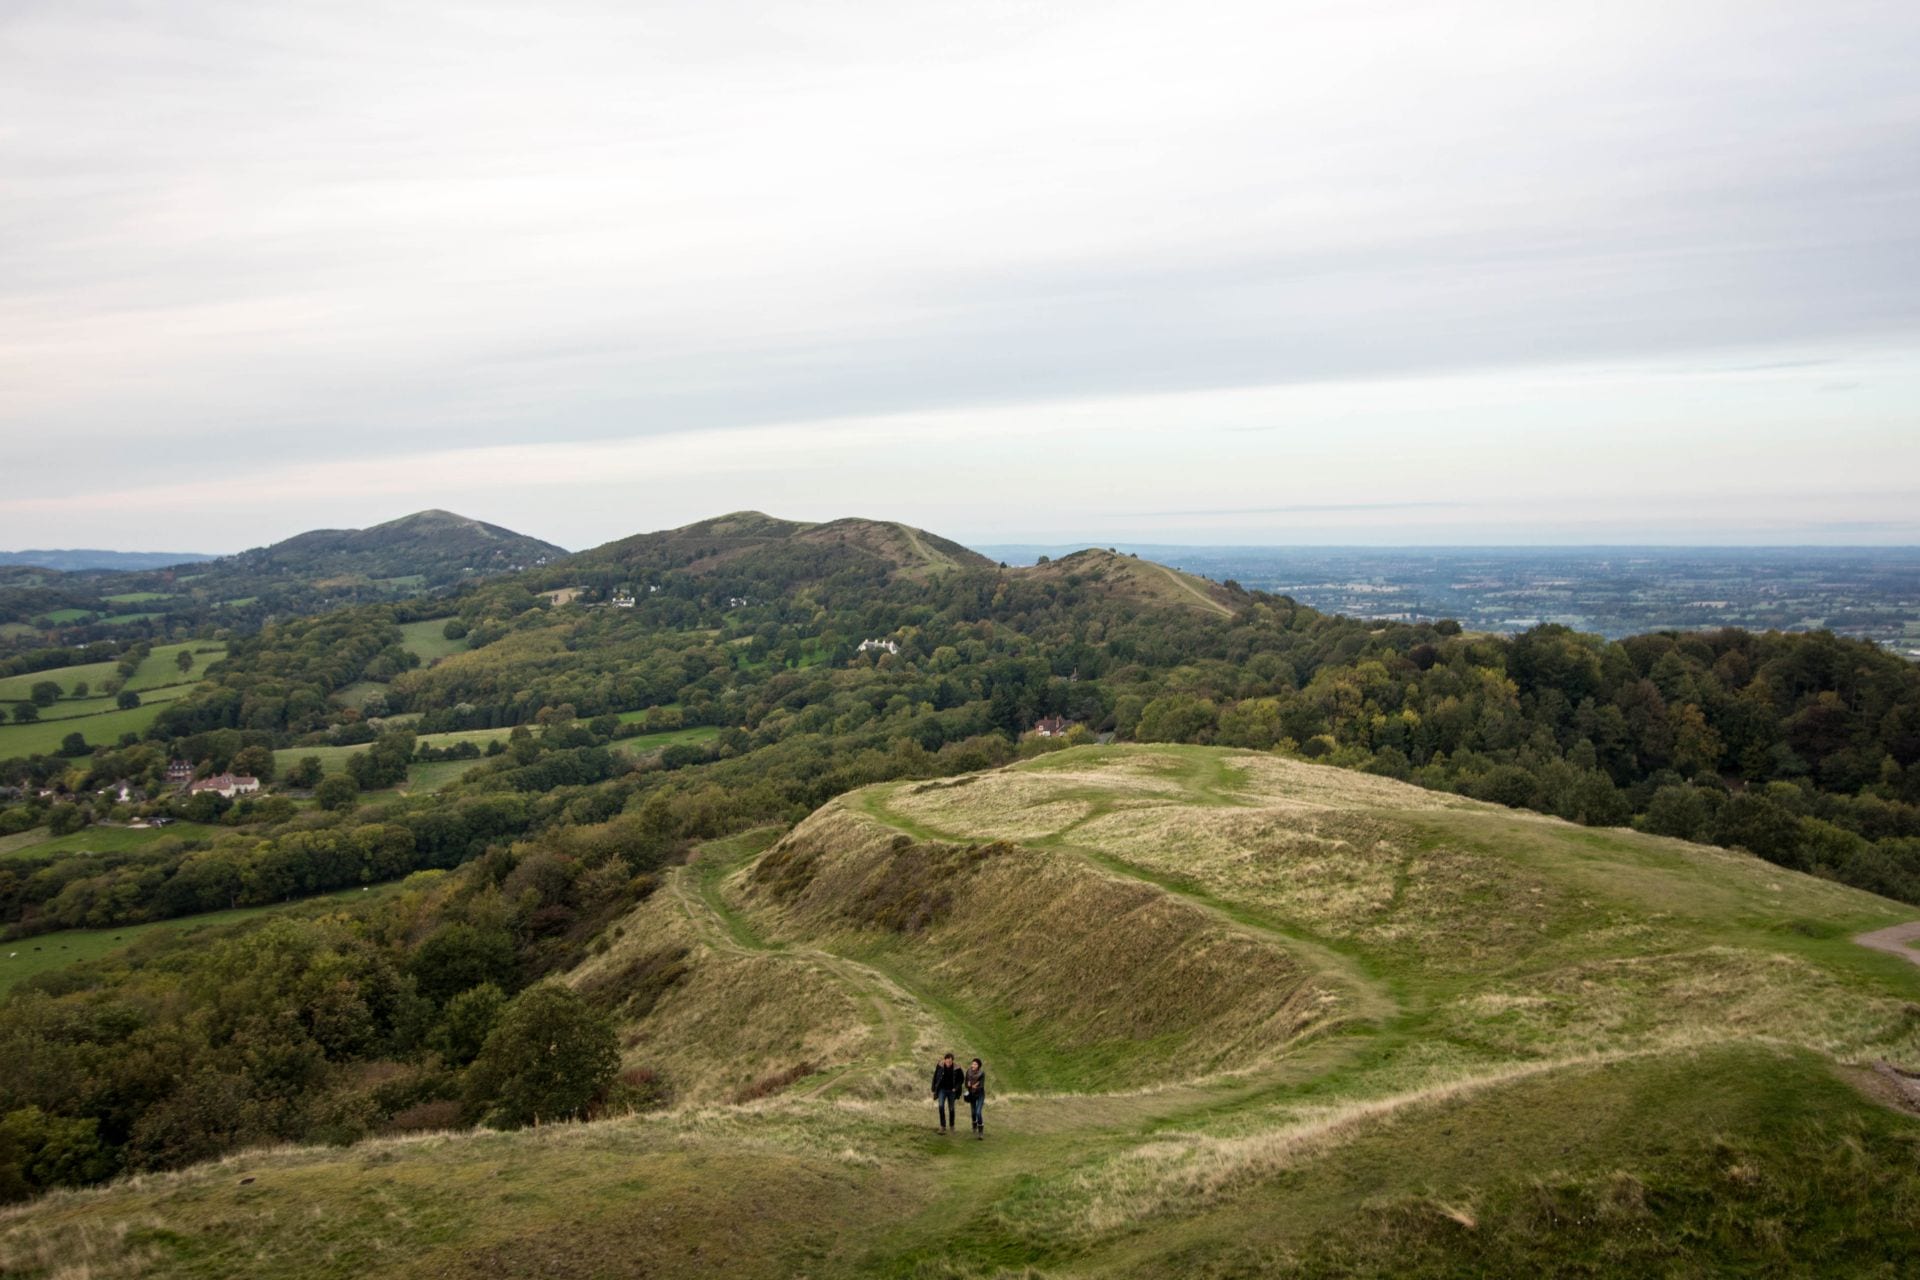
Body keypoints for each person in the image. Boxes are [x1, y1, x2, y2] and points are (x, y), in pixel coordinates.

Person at [931, 1052, 964, 1133]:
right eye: (947, 1061)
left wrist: (955, 1088)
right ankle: (942, 1126)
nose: (948, 1063)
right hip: (942, 1089)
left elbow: (961, 1079)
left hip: (951, 1091)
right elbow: (935, 1076)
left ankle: (952, 1126)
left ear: (952, 1061)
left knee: (951, 1109)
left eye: (950, 1062)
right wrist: (933, 1087)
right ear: (944, 1060)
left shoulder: (957, 1068)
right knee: (941, 1106)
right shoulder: (940, 1066)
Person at [963, 1057, 986, 1138]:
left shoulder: (982, 1073)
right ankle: (974, 1126)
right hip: (972, 1094)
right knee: (973, 1113)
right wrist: (969, 1085)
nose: (973, 1065)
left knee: (978, 1112)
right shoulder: (968, 1072)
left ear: (978, 1066)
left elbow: (981, 1086)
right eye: (972, 1063)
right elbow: (966, 1084)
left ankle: (980, 1132)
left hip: (980, 1095)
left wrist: (974, 1086)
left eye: (975, 1064)